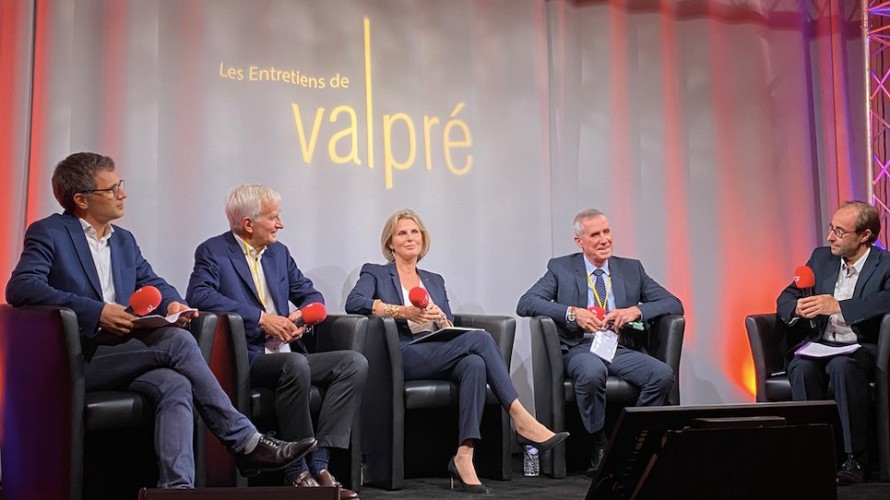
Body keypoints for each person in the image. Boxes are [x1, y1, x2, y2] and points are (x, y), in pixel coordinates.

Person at [4, 152, 315, 489]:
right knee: (178, 343)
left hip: (120, 353)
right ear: (81, 199)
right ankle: (245, 442)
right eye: (112, 189)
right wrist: (96, 311)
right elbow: (21, 286)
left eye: (120, 185)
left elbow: (154, 283)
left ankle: (177, 490)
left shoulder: (123, 240)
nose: (122, 193)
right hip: (79, 357)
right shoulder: (50, 232)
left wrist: (174, 305)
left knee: (174, 383)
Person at [345, 209, 567, 494]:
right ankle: (521, 418)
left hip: (436, 349)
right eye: (402, 233)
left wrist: (440, 320)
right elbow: (356, 302)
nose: (410, 238)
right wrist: (403, 311)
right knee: (483, 341)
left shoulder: (434, 279)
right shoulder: (375, 272)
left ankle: (464, 455)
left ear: (423, 239)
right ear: (391, 243)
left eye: (415, 232)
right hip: (401, 355)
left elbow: (448, 323)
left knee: (474, 363)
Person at [186, 184, 366, 498]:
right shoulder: (213, 251)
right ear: (247, 224)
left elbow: (310, 295)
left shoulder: (279, 253)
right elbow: (199, 296)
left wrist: (302, 319)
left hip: (288, 350)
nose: (280, 224)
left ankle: (320, 462)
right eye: (273, 217)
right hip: (249, 357)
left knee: (353, 363)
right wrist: (260, 317)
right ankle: (296, 471)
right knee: (294, 364)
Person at [516, 208, 682, 476]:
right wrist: (572, 312)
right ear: (579, 242)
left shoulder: (631, 269)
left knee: (661, 374)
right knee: (592, 373)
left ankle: (630, 444)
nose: (605, 239)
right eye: (595, 235)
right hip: (581, 347)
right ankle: (599, 444)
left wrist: (636, 311)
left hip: (620, 346)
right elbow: (526, 303)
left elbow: (673, 303)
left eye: (607, 232)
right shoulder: (561, 268)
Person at [777, 200, 890, 485]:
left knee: (842, 367)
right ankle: (811, 454)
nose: (830, 237)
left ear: (864, 235)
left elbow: (885, 300)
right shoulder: (821, 258)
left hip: (863, 348)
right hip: (821, 344)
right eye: (831, 228)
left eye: (840, 231)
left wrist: (839, 306)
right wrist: (796, 308)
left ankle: (855, 459)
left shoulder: (885, 264)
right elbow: (786, 296)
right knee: (801, 367)